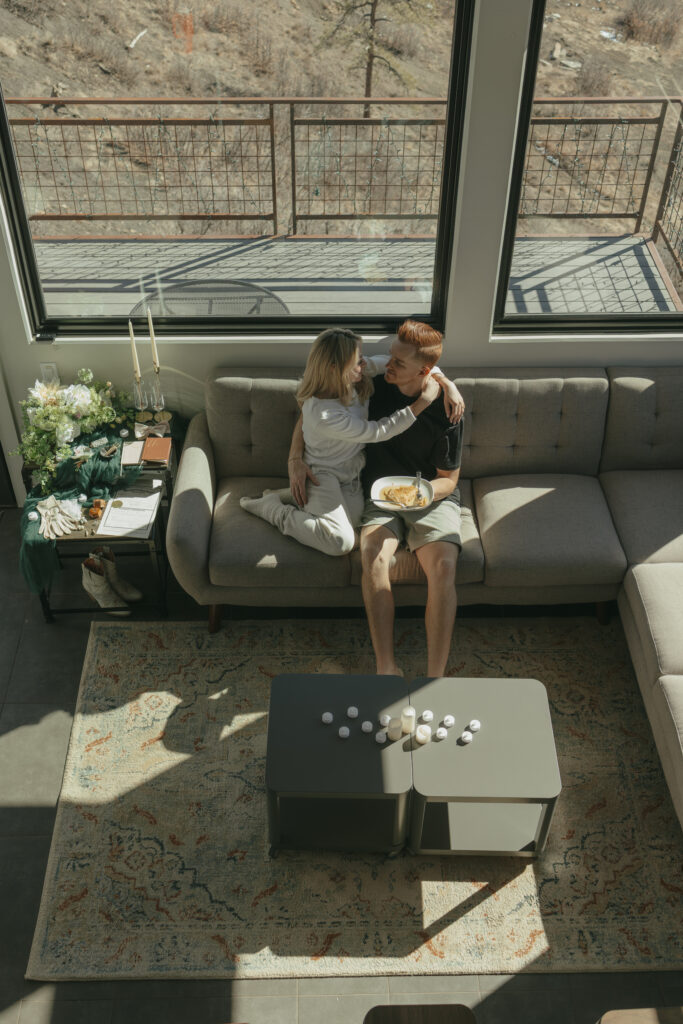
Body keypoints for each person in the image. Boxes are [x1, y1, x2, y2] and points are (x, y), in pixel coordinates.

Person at [289, 320, 465, 678]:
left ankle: (436, 677)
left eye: (398, 362)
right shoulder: (374, 386)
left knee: (444, 567)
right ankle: (386, 667)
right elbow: (314, 405)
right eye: (390, 358)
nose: (387, 364)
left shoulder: (448, 409)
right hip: (376, 490)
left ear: (425, 371)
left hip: (429, 493)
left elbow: (449, 480)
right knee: (371, 554)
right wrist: (295, 455)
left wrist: (419, 496)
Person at [240, 327, 462, 558]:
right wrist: (422, 403)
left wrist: (446, 383)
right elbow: (378, 431)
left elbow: (417, 365)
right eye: (357, 362)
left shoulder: (356, 374)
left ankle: (290, 495)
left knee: (355, 524)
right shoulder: (325, 414)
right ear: (335, 368)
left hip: (352, 472)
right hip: (322, 473)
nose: (365, 365)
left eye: (362, 359)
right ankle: (273, 509)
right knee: (340, 542)